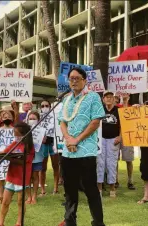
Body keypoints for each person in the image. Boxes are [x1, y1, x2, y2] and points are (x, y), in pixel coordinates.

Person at [58, 68, 105, 226]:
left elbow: (95, 122)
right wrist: (68, 139)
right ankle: (70, 221)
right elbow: (62, 121)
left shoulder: (93, 97)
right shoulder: (66, 99)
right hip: (68, 151)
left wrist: (76, 140)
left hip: (85, 151)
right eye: (71, 78)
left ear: (85, 80)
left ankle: (98, 222)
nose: (74, 81)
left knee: (90, 189)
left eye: (77, 78)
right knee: (70, 190)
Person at [0, 122, 35, 226]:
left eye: (17, 134)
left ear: (24, 134)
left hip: (22, 178)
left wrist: (11, 158)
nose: (15, 136)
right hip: (11, 177)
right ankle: (0, 222)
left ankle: (19, 222)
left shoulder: (30, 147)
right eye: (14, 134)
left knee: (20, 202)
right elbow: (4, 152)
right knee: (5, 201)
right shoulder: (14, 144)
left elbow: (25, 161)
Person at [0, 99, 18, 204]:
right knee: (0, 177)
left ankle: (9, 196)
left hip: (12, 155)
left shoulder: (15, 129)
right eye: (4, 115)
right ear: (1, 119)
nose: (6, 117)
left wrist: (14, 107)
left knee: (11, 176)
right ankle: (0, 197)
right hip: (0, 154)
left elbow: (16, 115)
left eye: (9, 115)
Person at [97, 91, 121, 198]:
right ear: (103, 99)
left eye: (111, 97)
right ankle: (99, 188)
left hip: (113, 139)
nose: (109, 99)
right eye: (106, 97)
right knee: (100, 163)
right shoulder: (99, 110)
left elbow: (124, 125)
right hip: (101, 139)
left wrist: (120, 136)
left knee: (112, 164)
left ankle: (112, 187)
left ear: (114, 99)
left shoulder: (119, 111)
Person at [115, 93, 136, 190]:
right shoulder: (117, 107)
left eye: (126, 94)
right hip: (116, 135)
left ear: (129, 96)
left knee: (129, 160)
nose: (124, 96)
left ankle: (130, 181)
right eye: (123, 94)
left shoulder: (132, 108)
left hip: (128, 135)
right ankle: (115, 180)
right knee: (115, 159)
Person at [24, 110, 45, 204]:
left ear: (38, 120)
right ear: (27, 119)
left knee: (35, 176)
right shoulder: (24, 129)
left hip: (37, 156)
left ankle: (34, 196)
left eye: (34, 119)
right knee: (27, 177)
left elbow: (44, 141)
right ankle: (28, 196)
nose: (32, 120)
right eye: (30, 118)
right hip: (26, 156)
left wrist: (41, 135)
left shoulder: (42, 129)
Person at [39, 100, 60, 195]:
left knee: (55, 165)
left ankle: (56, 188)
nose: (44, 107)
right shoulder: (38, 116)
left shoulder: (55, 116)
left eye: (46, 105)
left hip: (53, 142)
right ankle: (42, 189)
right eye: (42, 106)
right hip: (42, 144)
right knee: (42, 167)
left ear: (50, 106)